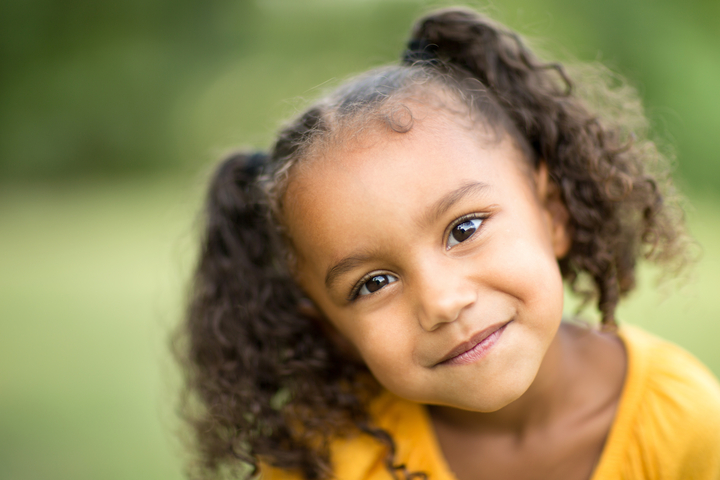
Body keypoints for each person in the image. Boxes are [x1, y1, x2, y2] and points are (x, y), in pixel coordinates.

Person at [176, 7, 720, 480]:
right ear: (328, 326)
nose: (441, 302)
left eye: (464, 229)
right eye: (373, 284)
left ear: (552, 213)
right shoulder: (322, 460)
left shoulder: (685, 426)